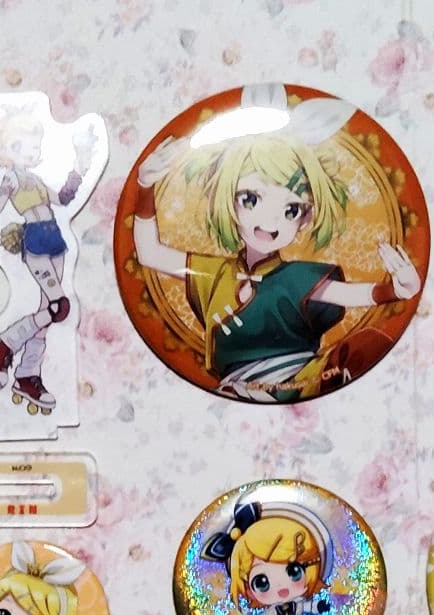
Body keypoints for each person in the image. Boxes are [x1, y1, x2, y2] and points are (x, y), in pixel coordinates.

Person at [132, 83, 421, 401]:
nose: (270, 223)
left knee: (366, 344)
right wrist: (144, 187)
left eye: (290, 210)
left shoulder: (297, 277)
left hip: (300, 381)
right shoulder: (211, 274)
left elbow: (350, 294)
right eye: (251, 199)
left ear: (305, 218)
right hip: (236, 388)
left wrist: (395, 290)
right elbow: (149, 254)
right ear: (227, 199)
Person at [0, 108, 96, 413]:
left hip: (56, 239)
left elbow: (62, 198)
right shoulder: (11, 179)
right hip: (34, 240)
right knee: (59, 307)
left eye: (34, 145)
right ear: (4, 149)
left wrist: (79, 165)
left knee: (48, 314)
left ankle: (26, 375)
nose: (29, 152)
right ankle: (4, 343)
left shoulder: (36, 178)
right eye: (19, 145)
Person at [202, 497, 332, 615]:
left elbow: (307, 607)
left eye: (294, 571)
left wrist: (318, 606)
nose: (281, 588)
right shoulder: (273, 610)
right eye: (262, 582)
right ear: (248, 587)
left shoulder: (296, 605)